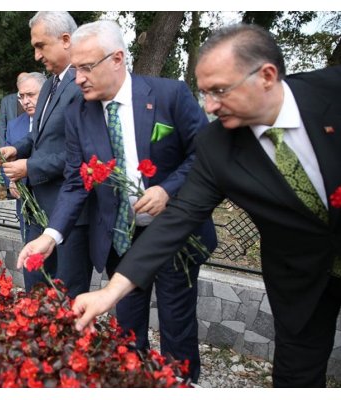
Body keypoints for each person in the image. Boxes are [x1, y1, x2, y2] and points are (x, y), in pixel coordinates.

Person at [70, 23, 341, 387]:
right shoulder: (217, 145)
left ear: (266, 76)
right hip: (300, 277)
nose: (210, 106)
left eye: (220, 91)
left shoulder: (332, 91)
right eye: (205, 93)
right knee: (296, 377)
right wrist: (110, 291)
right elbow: (178, 218)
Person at [15, 20, 217, 382]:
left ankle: (182, 383)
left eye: (86, 68)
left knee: (177, 327)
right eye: (75, 68)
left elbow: (205, 156)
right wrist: (50, 235)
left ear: (118, 59)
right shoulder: (81, 112)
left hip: (175, 238)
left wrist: (168, 189)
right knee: (126, 330)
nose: (78, 79)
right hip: (121, 241)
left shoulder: (170, 95)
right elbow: (77, 182)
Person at [1, 11, 92, 299]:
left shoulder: (82, 85)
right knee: (36, 289)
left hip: (70, 214)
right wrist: (18, 148)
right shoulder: (51, 83)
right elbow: (41, 135)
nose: (37, 56)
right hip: (38, 210)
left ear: (66, 40)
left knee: (65, 296)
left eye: (41, 46)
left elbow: (85, 154)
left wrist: (30, 166)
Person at [1, 72, 46, 240]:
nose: (26, 101)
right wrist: (11, 182)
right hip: (24, 203)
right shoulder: (14, 125)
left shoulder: (57, 121)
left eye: (31, 95)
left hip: (50, 201)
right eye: (22, 97)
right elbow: (5, 157)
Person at [0, 73, 27, 148]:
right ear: (17, 84)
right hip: (11, 145)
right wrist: (2, 148)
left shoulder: (34, 99)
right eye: (21, 81)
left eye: (26, 80)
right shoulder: (6, 101)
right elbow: (2, 125)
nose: (24, 83)